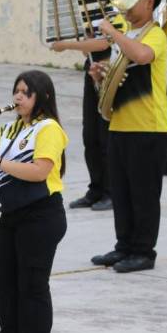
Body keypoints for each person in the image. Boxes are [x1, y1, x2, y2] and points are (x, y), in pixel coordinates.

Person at [0, 70, 68, 333]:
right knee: (1, 281)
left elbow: (40, 171)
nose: (18, 97)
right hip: (12, 214)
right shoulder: (10, 129)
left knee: (32, 286)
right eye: (16, 90)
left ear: (42, 96)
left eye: (26, 92)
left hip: (41, 215)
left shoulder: (48, 128)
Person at [89, 0, 167, 273]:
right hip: (120, 126)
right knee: (122, 193)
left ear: (150, 1)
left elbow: (142, 56)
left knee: (144, 194)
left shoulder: (155, 34)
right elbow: (115, 81)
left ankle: (143, 252)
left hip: (149, 127)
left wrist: (112, 34)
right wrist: (100, 76)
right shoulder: (126, 35)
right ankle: (124, 246)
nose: (124, 6)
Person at [51, 26, 122, 212]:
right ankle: (96, 189)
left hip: (109, 75)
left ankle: (111, 192)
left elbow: (104, 43)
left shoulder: (114, 14)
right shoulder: (97, 19)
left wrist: (66, 44)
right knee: (90, 137)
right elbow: (88, 50)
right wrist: (87, 38)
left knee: (105, 138)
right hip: (92, 74)